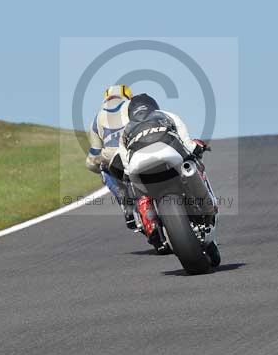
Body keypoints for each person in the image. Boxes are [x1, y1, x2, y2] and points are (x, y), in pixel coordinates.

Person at [112, 93, 212, 246]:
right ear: (153, 105)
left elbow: (125, 162)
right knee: (192, 163)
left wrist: (127, 177)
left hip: (140, 167)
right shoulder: (167, 115)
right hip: (170, 159)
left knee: (140, 194)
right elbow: (185, 141)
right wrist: (195, 149)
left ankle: (152, 225)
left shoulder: (126, 130)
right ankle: (208, 206)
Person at [85, 84, 137, 228]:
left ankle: (126, 206)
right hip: (137, 150)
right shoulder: (134, 106)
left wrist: (95, 166)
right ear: (128, 96)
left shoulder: (97, 119)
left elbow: (93, 156)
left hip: (114, 158)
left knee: (103, 168)